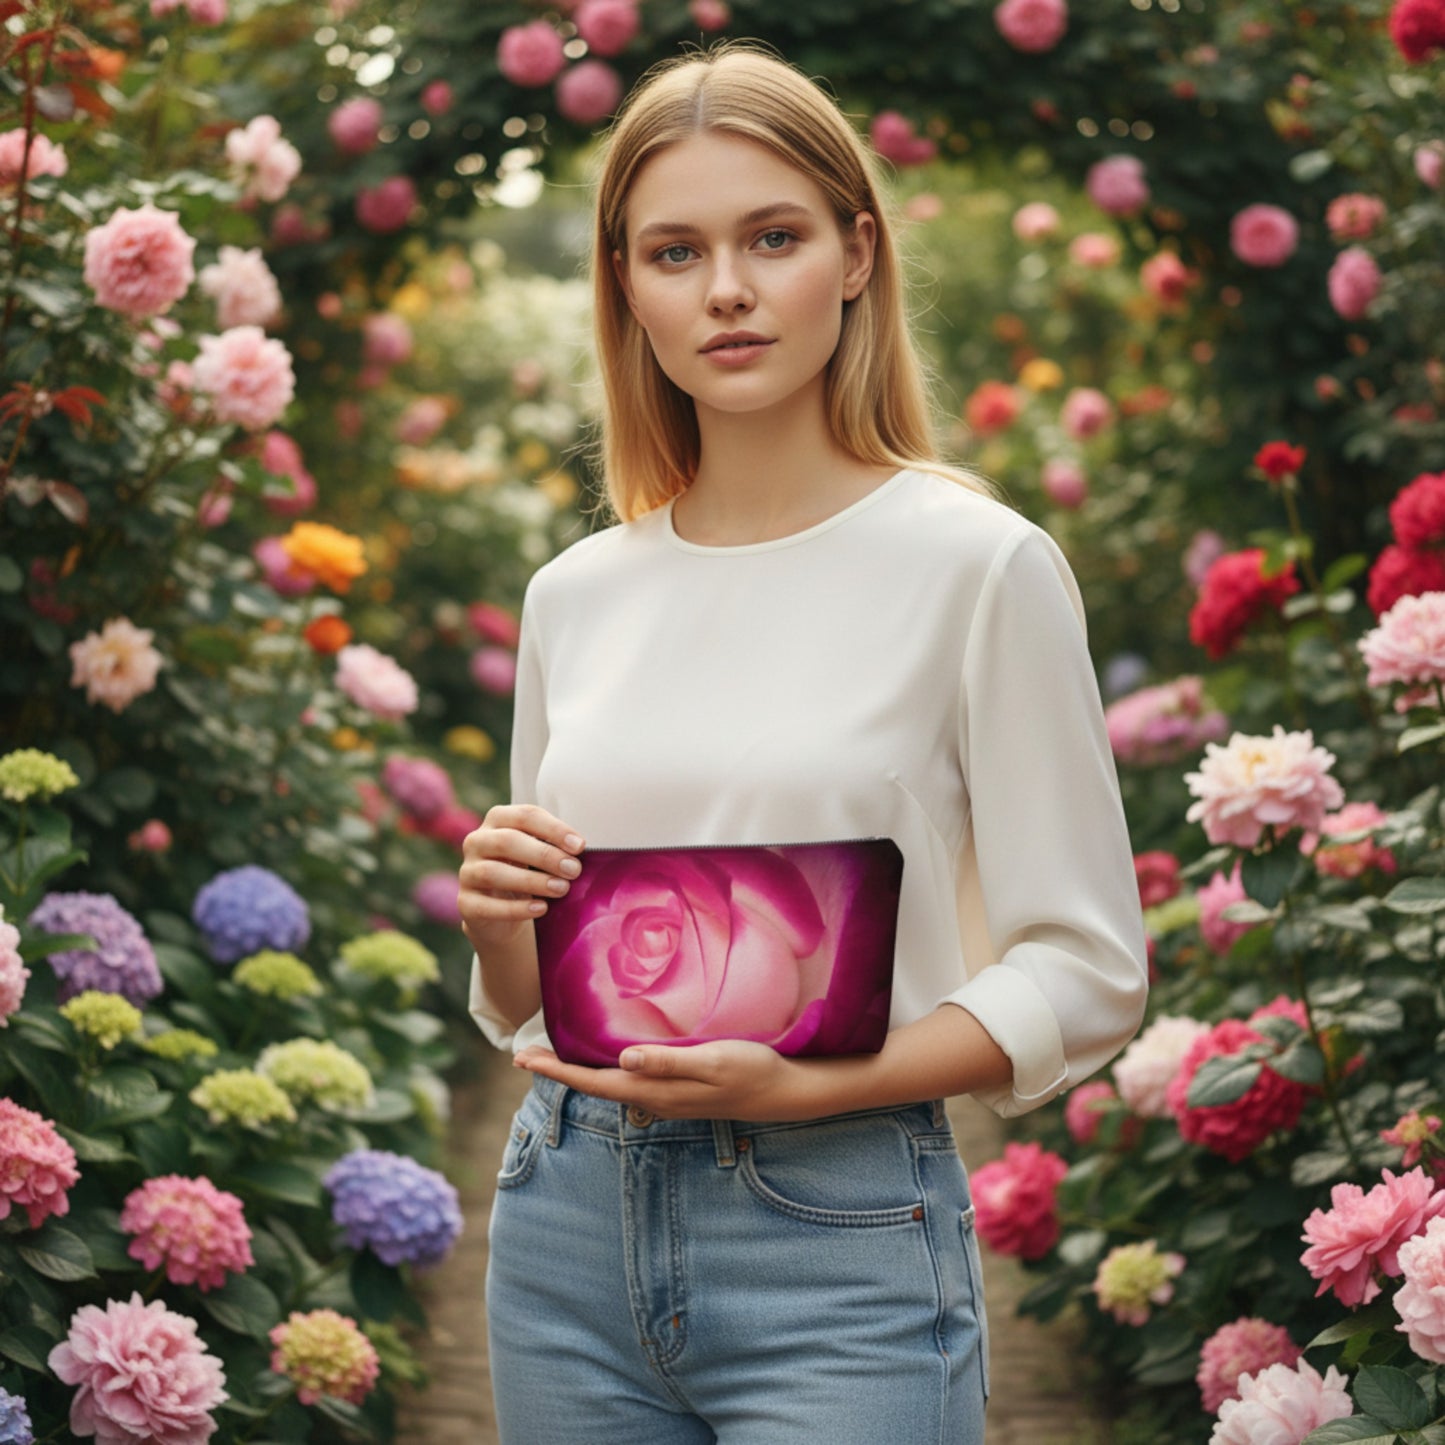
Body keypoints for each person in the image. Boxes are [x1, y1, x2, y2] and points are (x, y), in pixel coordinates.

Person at [458, 42, 1148, 1445]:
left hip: (834, 1232)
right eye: (672, 250)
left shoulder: (978, 567)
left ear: (853, 253)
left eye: (769, 237)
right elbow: (544, 1004)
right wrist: (497, 920)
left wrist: (817, 1084)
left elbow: (1084, 969)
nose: (723, 288)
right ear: (623, 285)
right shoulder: (575, 596)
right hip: (563, 1227)